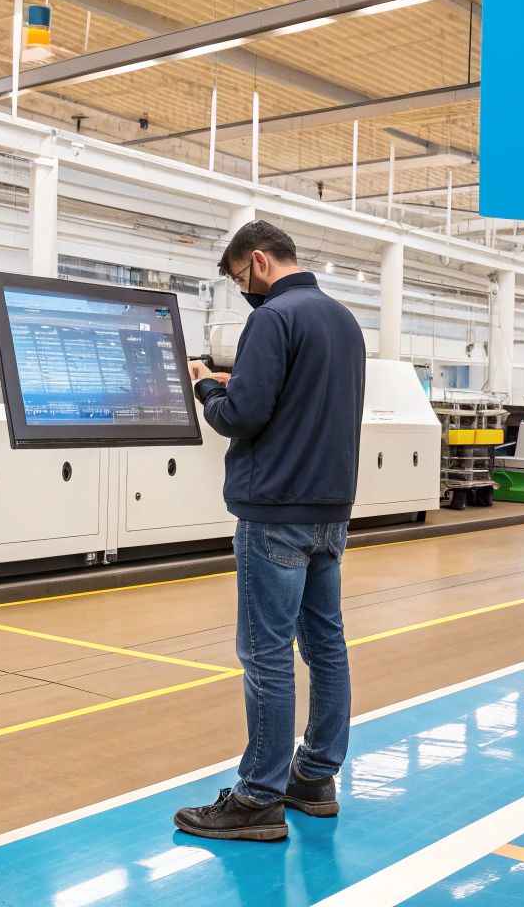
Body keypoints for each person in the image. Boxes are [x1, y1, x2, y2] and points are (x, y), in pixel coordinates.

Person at [173, 220, 365, 842]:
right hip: (330, 510)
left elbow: (242, 416)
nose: (242, 292)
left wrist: (206, 385)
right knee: (326, 647)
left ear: (257, 262)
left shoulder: (273, 318)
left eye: (237, 279)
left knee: (267, 656)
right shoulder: (342, 319)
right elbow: (302, 399)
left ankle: (258, 797)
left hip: (276, 510)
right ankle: (315, 777)